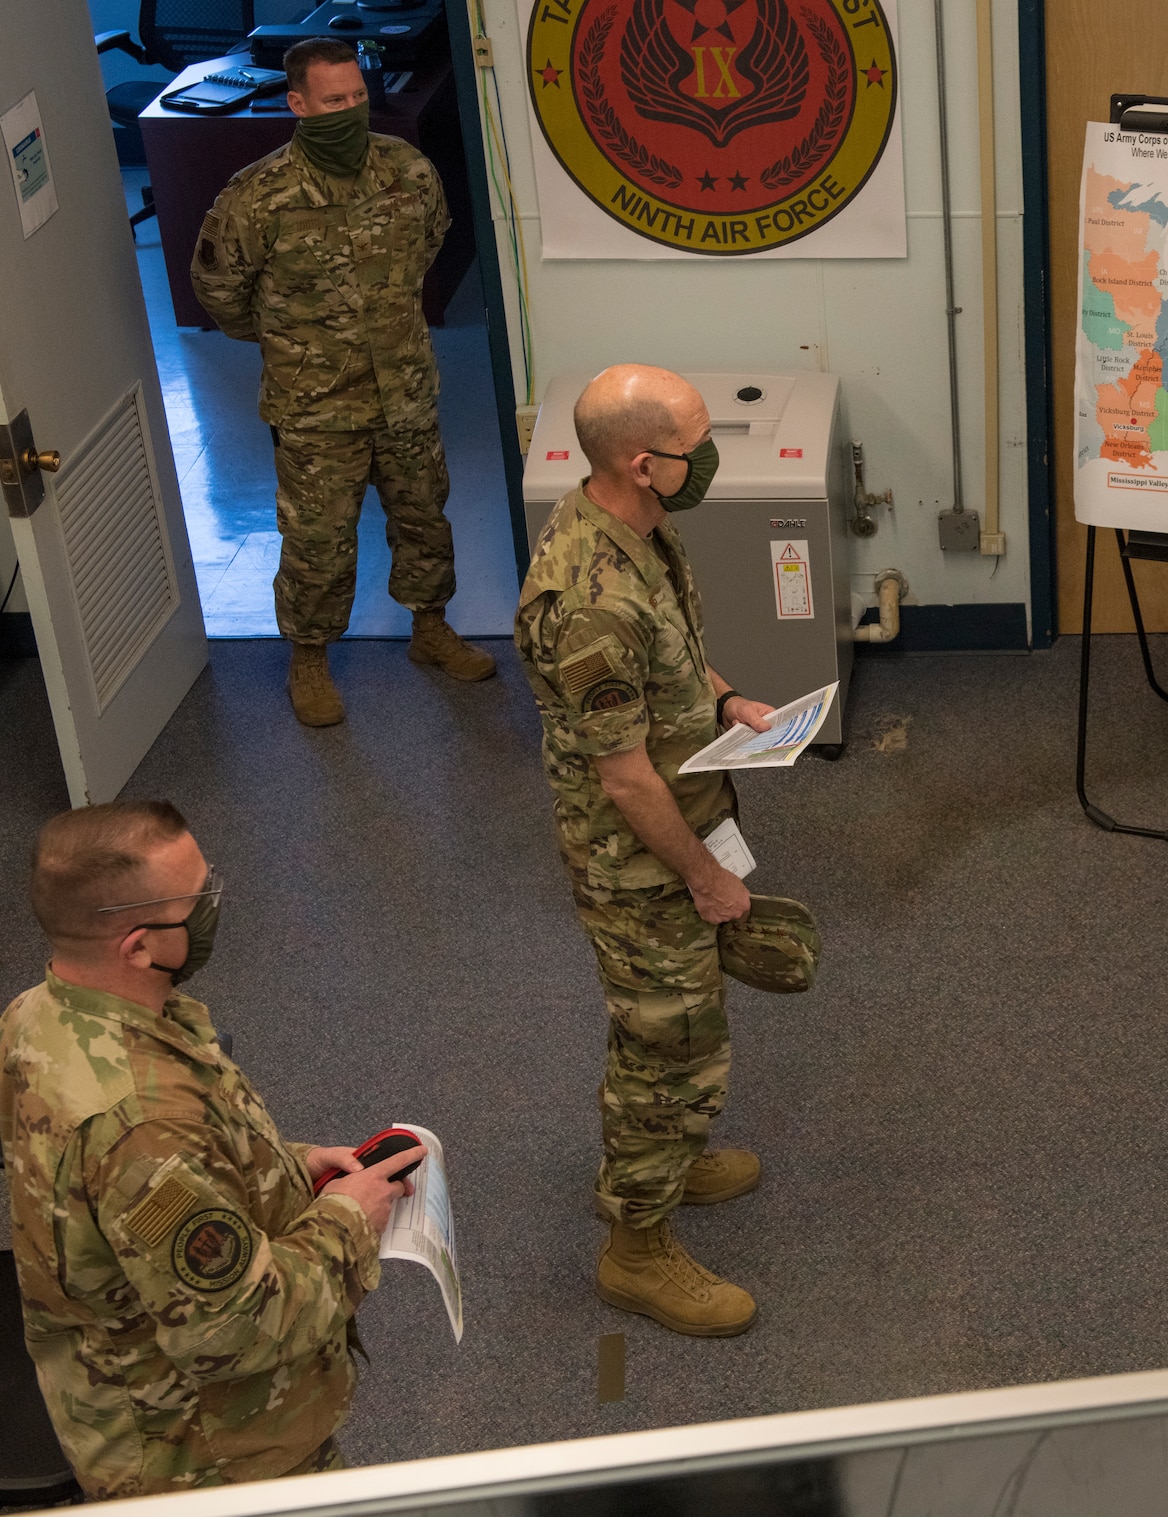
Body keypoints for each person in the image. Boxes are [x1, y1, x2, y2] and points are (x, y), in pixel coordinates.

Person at [0, 801, 422, 1498]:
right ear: (137, 944)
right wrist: (351, 1216)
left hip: (110, 1371)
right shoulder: (141, 1129)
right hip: (204, 1456)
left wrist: (286, 1163)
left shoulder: (41, 1010)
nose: (213, 907)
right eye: (197, 902)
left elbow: (112, 1181)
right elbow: (235, 1330)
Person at [515, 364, 787, 1339]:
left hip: (678, 808)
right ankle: (637, 1246)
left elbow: (670, 645)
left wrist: (723, 701)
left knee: (672, 1023)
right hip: (638, 857)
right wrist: (706, 874)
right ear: (642, 461)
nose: (707, 457)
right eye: (694, 443)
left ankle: (669, 1152)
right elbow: (626, 779)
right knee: (668, 1039)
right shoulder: (586, 597)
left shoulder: (633, 527)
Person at [189, 37, 494, 728]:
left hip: (405, 391)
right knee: (319, 539)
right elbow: (219, 291)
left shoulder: (407, 170)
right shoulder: (258, 195)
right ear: (298, 104)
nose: (350, 111)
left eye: (358, 97)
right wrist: (295, 342)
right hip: (317, 405)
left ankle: (431, 627)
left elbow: (431, 242)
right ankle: (309, 656)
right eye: (333, 102)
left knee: (423, 516)